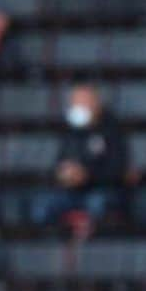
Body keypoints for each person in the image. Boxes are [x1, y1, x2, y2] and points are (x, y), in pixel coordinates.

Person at [30, 84, 134, 234]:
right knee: (43, 205)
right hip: (72, 192)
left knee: (98, 204)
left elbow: (119, 170)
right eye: (76, 102)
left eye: (84, 102)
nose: (79, 107)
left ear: (96, 103)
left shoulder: (113, 129)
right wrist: (64, 174)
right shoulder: (69, 130)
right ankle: (50, 248)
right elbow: (59, 163)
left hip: (103, 190)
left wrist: (87, 175)